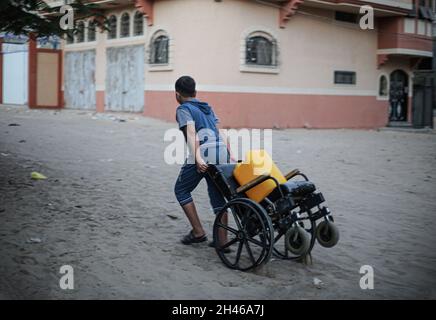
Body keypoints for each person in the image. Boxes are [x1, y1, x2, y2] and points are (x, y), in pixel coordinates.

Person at [173, 75, 229, 245]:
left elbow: (191, 133)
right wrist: (228, 155)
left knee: (181, 190)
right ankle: (222, 241)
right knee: (218, 195)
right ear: (195, 92)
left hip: (203, 152)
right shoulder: (207, 108)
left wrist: (197, 158)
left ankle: (198, 232)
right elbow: (220, 132)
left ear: (177, 95)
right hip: (220, 151)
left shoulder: (184, 109)